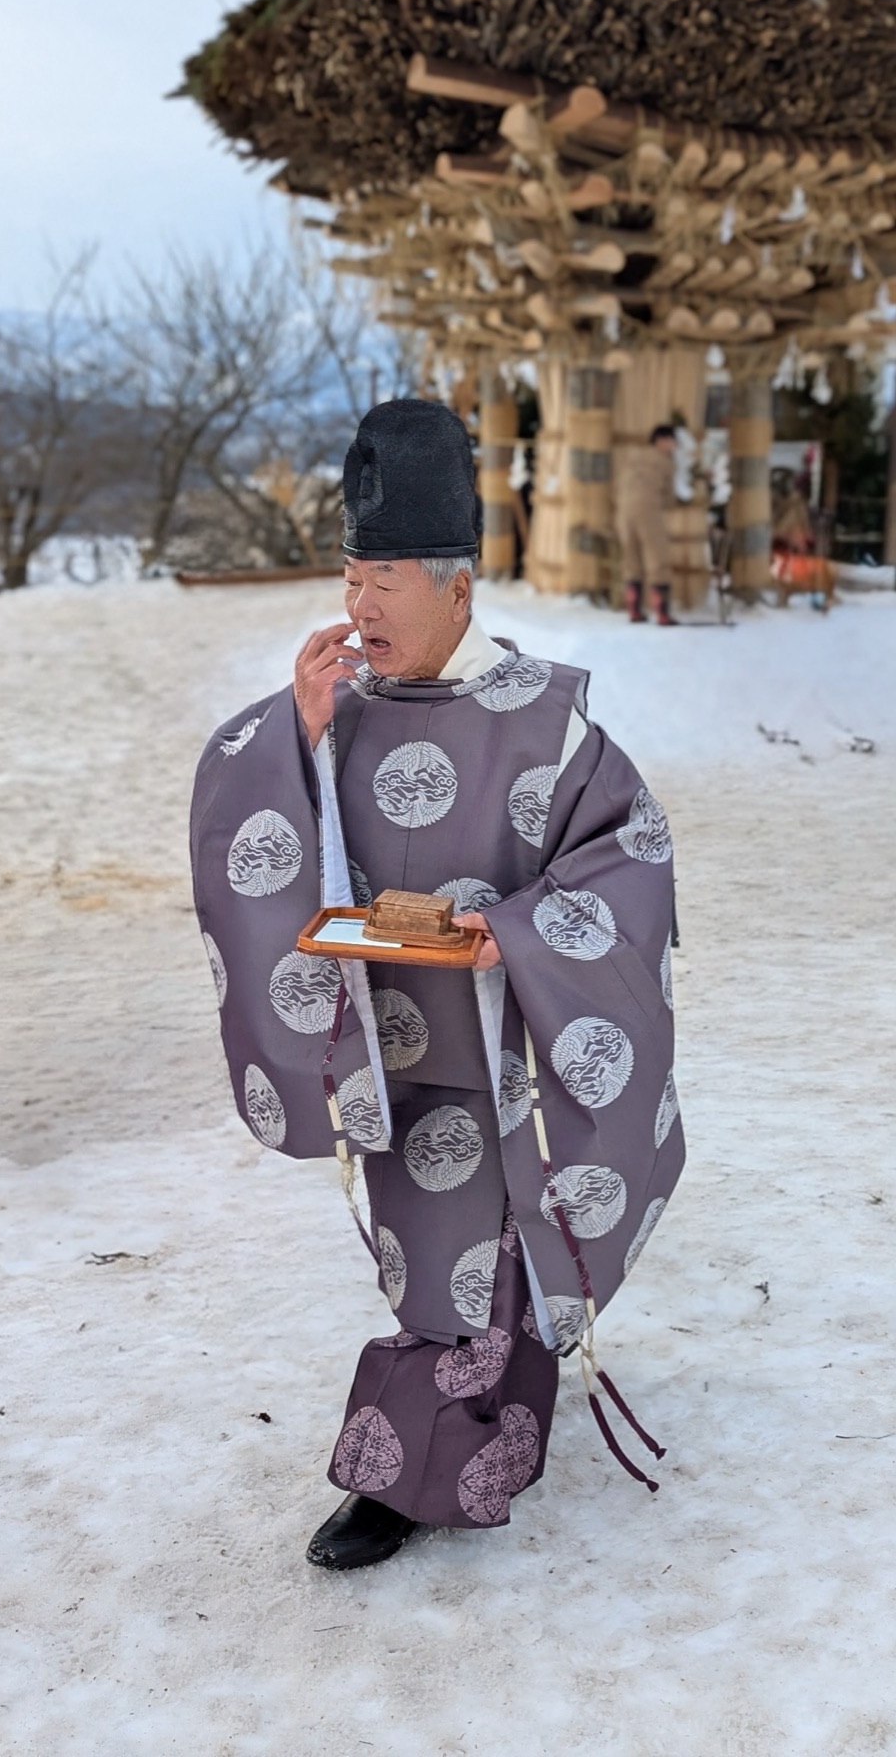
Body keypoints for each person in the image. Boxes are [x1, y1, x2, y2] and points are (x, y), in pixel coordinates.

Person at [190, 399, 685, 1571]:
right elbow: (250, 839)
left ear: (457, 588)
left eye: (386, 579)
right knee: (449, 1263)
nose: (357, 606)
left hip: (514, 1061)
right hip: (388, 1051)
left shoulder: (550, 724)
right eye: (349, 576)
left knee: (473, 1268)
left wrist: (511, 934)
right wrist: (293, 736)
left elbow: (630, 865)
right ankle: (491, 1428)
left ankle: (400, 1476)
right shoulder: (339, 713)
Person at [615, 424, 679, 626]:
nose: (673, 445)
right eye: (671, 441)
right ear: (661, 441)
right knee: (657, 559)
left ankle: (634, 610)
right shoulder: (665, 461)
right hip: (648, 511)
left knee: (631, 560)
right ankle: (662, 613)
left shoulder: (632, 457)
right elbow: (669, 498)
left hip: (623, 512)